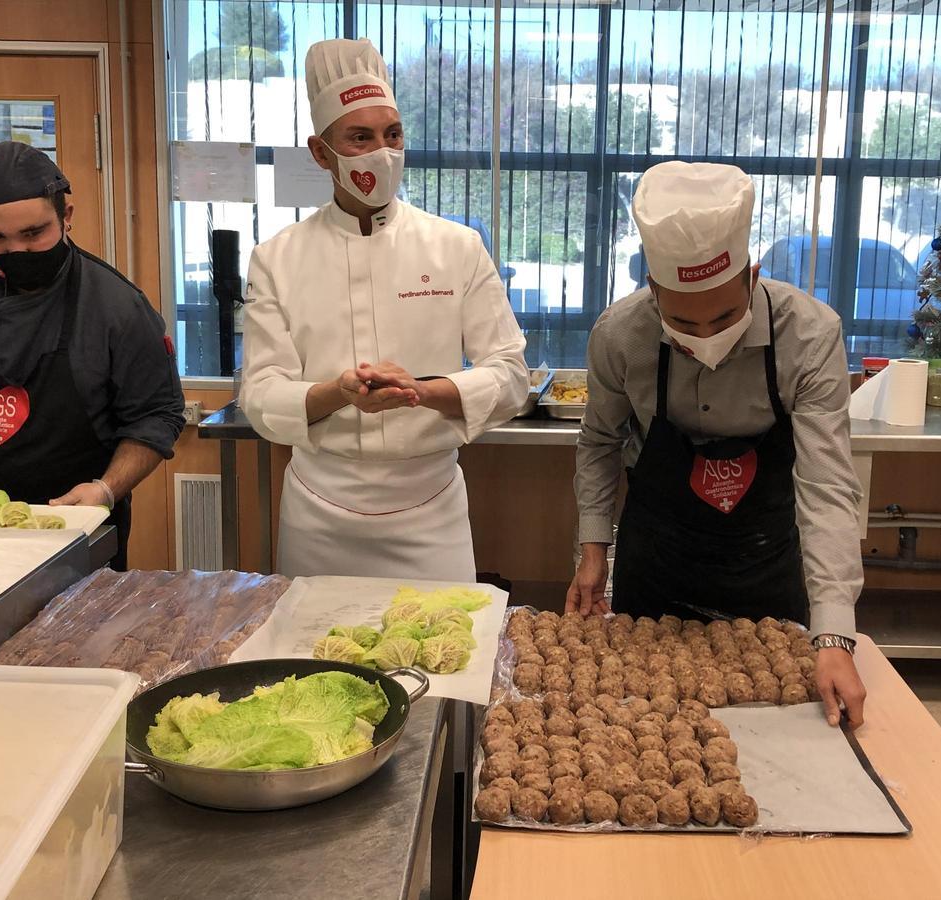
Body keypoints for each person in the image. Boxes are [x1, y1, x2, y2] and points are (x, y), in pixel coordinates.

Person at [567, 162, 867, 728]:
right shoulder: (620, 336)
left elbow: (828, 486)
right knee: (642, 728)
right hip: (658, 558)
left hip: (768, 559)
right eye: (684, 323)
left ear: (752, 277)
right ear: (654, 291)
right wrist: (591, 552)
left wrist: (834, 632)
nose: (707, 339)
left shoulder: (809, 335)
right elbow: (600, 443)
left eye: (726, 315)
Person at [240, 38, 528, 581]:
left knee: (445, 656)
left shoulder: (456, 247)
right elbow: (259, 394)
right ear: (321, 152)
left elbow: (511, 375)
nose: (382, 151)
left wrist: (420, 392)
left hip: (430, 510)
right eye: (360, 137)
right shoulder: (277, 259)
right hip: (320, 511)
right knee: (320, 656)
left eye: (392, 134)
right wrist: (336, 392)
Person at [0, 142, 185, 570]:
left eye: (33, 234)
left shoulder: (117, 306)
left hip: (79, 528)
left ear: (66, 217)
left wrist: (103, 490)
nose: (17, 252)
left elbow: (157, 416)